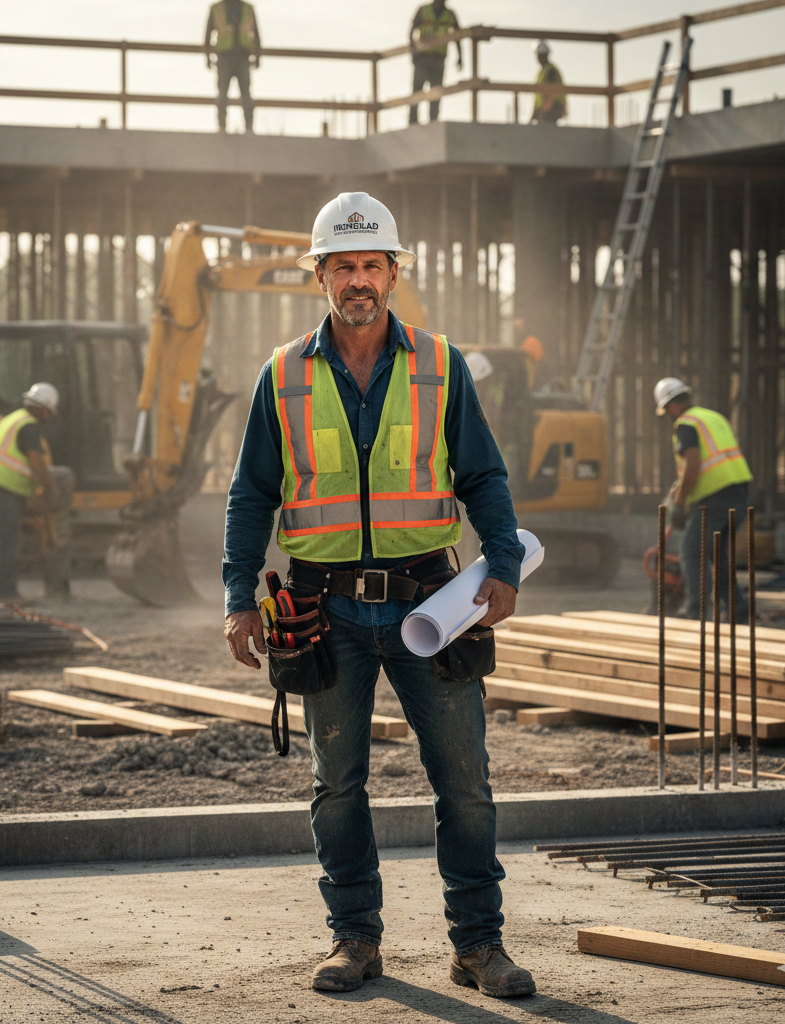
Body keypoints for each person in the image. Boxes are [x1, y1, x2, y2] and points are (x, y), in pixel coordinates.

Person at [223, 192, 535, 999]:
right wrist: (235, 593)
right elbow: (250, 495)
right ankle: (354, 939)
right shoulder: (282, 375)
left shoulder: (441, 363)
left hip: (432, 600)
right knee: (337, 784)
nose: (358, 280)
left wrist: (501, 561)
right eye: (343, 266)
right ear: (319, 275)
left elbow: (483, 475)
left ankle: (477, 946)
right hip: (322, 608)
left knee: (464, 781)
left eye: (372, 265)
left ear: (393, 273)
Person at [655, 377, 752, 620]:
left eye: (666, 410)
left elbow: (694, 465)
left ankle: (696, 612)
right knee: (717, 555)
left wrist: (678, 502)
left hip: (715, 497)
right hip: (739, 493)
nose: (669, 415)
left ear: (673, 406)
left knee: (691, 552)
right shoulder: (714, 417)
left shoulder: (686, 423)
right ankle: (737, 609)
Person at [0, 383, 58, 601]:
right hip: (2, 485)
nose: (48, 417)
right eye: (49, 412)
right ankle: (5, 592)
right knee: (7, 540)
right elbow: (36, 461)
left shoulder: (13, 418)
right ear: (43, 408)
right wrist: (49, 486)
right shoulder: (28, 426)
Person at [204, 0, 261, 133]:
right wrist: (207, 56)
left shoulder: (248, 9)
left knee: (245, 94)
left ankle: (249, 127)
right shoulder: (216, 9)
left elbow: (256, 34)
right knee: (222, 94)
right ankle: (222, 127)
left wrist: (257, 56)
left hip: (243, 57)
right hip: (224, 57)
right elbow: (207, 34)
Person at [408, 0, 462, 125]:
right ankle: (413, 121)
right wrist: (413, 51)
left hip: (439, 59)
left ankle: (433, 121)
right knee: (417, 91)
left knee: (436, 92)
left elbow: (458, 36)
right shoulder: (424, 10)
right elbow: (411, 31)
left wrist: (460, 56)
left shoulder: (450, 14)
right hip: (422, 58)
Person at [530, 41, 566, 125]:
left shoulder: (550, 70)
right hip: (545, 111)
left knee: (547, 134)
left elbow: (552, 92)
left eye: (539, 55)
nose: (538, 58)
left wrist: (545, 109)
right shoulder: (544, 71)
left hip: (551, 110)